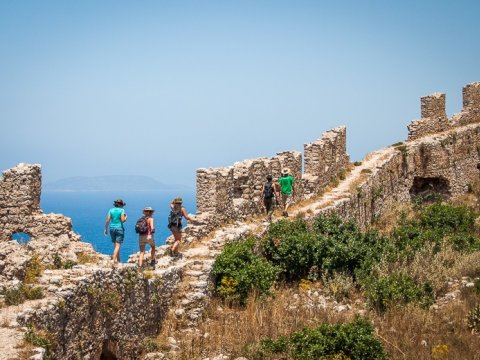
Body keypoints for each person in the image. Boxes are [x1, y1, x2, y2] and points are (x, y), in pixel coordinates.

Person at [104, 199, 127, 264]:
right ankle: (113, 260)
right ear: (121, 205)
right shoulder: (122, 210)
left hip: (111, 228)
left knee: (115, 245)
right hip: (119, 228)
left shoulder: (111, 210)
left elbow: (107, 220)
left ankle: (118, 260)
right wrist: (126, 218)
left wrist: (105, 228)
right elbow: (122, 220)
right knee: (118, 245)